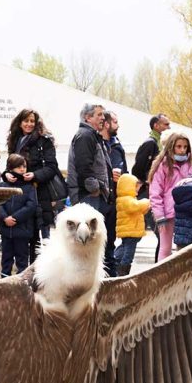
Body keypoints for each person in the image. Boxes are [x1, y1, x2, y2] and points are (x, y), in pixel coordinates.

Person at [66, 102, 115, 273]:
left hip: (93, 196)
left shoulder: (92, 135)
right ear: (88, 117)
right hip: (88, 197)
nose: (103, 118)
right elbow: (84, 168)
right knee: (86, 242)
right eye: (99, 114)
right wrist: (95, 188)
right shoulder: (85, 136)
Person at [5, 108, 60, 257]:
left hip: (38, 192)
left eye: (32, 121)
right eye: (26, 121)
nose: (29, 124)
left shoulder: (44, 140)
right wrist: (7, 175)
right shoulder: (15, 140)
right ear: (20, 122)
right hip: (18, 194)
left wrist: (35, 175)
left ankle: (35, 272)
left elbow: (52, 167)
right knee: (20, 236)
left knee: (37, 236)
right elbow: (10, 165)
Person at [148, 132, 192, 261]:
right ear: (171, 147)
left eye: (185, 147)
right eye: (179, 146)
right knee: (165, 249)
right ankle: (163, 278)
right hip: (168, 214)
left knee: (186, 248)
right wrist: (159, 216)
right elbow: (155, 193)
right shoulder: (163, 165)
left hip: (188, 212)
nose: (182, 150)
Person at [131, 113, 171, 259]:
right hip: (148, 194)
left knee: (163, 236)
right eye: (166, 124)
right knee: (161, 235)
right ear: (156, 125)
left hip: (157, 193)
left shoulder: (160, 144)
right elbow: (137, 169)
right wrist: (147, 180)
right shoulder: (151, 143)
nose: (168, 127)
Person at [0, 153, 38, 276]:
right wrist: (4, 218)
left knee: (22, 260)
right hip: (6, 230)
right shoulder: (3, 185)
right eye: (18, 166)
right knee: (6, 260)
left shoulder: (29, 187)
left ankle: (22, 284)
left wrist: (15, 218)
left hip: (22, 230)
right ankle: (4, 283)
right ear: (10, 168)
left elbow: (31, 205)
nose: (22, 169)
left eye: (24, 166)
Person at [114, 173, 150, 276]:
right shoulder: (126, 200)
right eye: (135, 187)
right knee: (129, 253)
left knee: (124, 247)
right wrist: (147, 202)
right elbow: (135, 206)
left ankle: (116, 261)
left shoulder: (127, 199)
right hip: (130, 231)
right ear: (127, 187)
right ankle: (123, 271)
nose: (137, 189)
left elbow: (137, 211)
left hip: (130, 230)